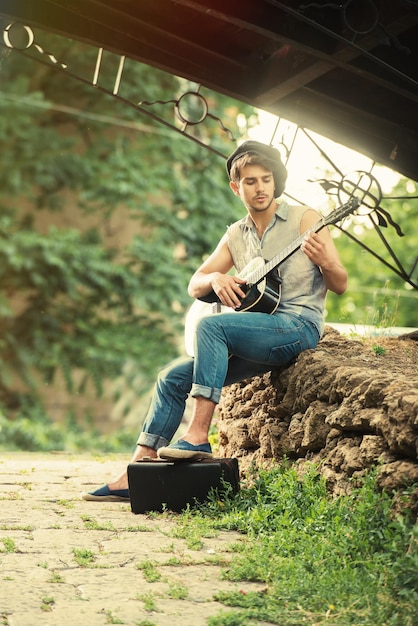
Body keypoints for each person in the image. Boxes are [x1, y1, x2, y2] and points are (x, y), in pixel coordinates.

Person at [82, 140, 347, 502]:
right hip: (258, 332)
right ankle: (137, 468)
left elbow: (341, 284)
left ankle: (198, 434)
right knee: (171, 377)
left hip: (298, 327)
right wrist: (216, 279)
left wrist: (327, 262)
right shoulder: (236, 234)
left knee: (213, 326)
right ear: (236, 188)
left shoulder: (305, 219)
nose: (260, 188)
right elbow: (196, 283)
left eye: (266, 179)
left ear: (275, 182)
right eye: (250, 181)